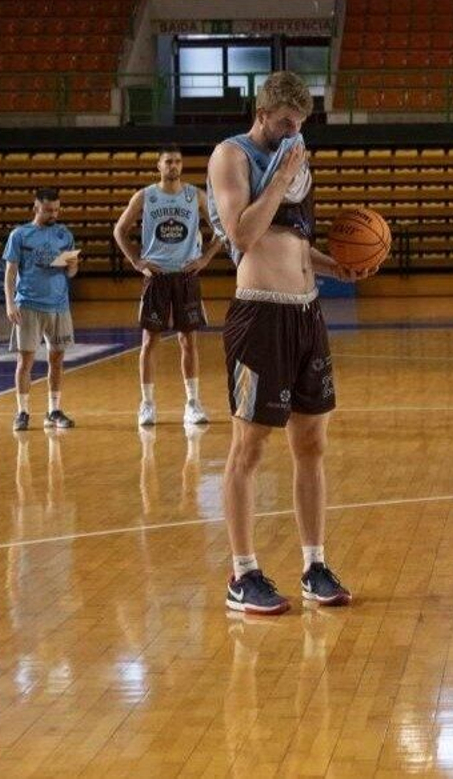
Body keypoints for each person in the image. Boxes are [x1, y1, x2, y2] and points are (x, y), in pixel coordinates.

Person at [206, 70, 376, 616]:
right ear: (262, 114)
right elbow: (243, 235)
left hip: (306, 313)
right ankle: (243, 574)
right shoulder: (231, 157)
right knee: (249, 448)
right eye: (284, 123)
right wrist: (281, 176)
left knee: (312, 445)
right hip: (259, 316)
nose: (292, 133)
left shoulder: (296, 152)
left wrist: (339, 266)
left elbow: (295, 243)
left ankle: (314, 564)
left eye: (299, 125)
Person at [113, 145, 223, 426]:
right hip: (156, 277)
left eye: (177, 161)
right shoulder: (146, 196)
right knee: (149, 342)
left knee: (189, 342)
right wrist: (137, 261)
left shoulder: (195, 195)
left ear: (181, 166)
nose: (173, 166)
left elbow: (220, 230)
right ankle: (147, 404)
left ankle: (192, 404)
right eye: (168, 162)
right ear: (158, 166)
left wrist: (205, 259)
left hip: (186, 276)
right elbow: (119, 230)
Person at [4, 188, 79, 431]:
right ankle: (22, 412)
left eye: (57, 209)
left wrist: (73, 265)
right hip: (29, 304)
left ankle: (54, 410)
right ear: (36, 207)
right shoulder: (20, 235)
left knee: (57, 358)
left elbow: (71, 272)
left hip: (59, 305)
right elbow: (10, 272)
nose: (53, 214)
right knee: (25, 360)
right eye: (48, 210)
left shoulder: (64, 234)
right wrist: (10, 302)